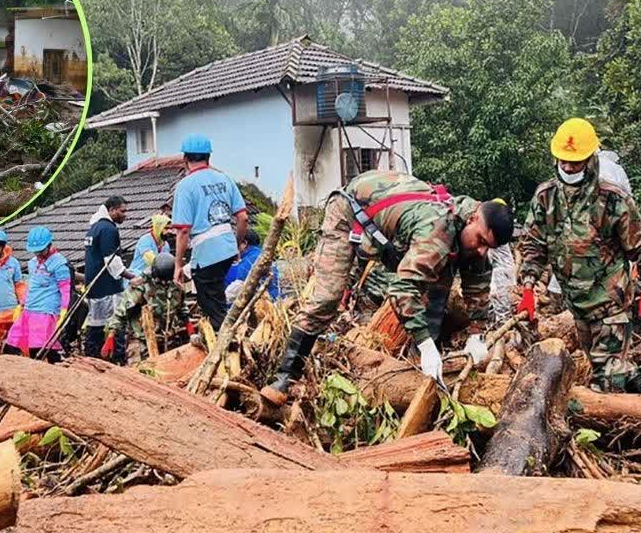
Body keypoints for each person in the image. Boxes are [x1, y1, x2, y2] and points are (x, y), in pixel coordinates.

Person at [260, 170, 514, 406]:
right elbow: (402, 289)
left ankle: (423, 372)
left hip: (394, 211)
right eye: (480, 241)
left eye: (488, 247)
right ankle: (285, 376)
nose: (481, 250)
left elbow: (478, 285)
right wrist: (426, 345)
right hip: (351, 209)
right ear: (472, 219)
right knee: (329, 296)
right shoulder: (437, 232)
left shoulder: (473, 236)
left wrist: (476, 334)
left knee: (437, 292)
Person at [517, 118, 641, 393]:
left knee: (607, 380)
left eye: (576, 162)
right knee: (605, 367)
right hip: (578, 305)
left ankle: (637, 422)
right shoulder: (545, 198)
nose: (569, 168)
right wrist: (528, 287)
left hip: (610, 302)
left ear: (591, 159)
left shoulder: (612, 199)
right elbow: (533, 245)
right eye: (564, 162)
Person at [171, 134, 248, 328]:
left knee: (212, 310)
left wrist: (178, 265)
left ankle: (224, 345)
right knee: (218, 298)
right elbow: (243, 218)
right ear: (208, 158)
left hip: (206, 255)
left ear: (185, 159)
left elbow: (182, 231)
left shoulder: (185, 186)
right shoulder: (224, 179)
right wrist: (237, 245)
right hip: (227, 249)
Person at [83, 196, 140, 363]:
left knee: (95, 323)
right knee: (115, 324)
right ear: (112, 210)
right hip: (107, 286)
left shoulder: (94, 227)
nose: (125, 215)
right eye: (122, 211)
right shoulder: (108, 230)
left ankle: (91, 357)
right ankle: (117, 361)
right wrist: (132, 277)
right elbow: (112, 261)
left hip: (94, 285)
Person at [5, 227, 70, 363]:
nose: (39, 254)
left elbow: (65, 289)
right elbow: (32, 284)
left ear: (49, 245)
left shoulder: (59, 264)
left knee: (41, 347)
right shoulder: (33, 263)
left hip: (46, 311)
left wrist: (64, 310)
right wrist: (22, 303)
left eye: (41, 251)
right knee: (13, 341)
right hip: (30, 309)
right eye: (36, 251)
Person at [106, 252, 188, 358]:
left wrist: (188, 326)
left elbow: (182, 309)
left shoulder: (175, 289)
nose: (164, 283)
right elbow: (121, 312)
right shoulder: (142, 287)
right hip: (142, 340)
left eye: (166, 281)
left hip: (167, 339)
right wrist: (111, 335)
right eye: (161, 281)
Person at [224, 229, 281, 302]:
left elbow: (239, 286)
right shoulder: (261, 255)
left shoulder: (249, 261)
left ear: (244, 243)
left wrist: (223, 301)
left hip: (262, 303)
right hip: (274, 299)